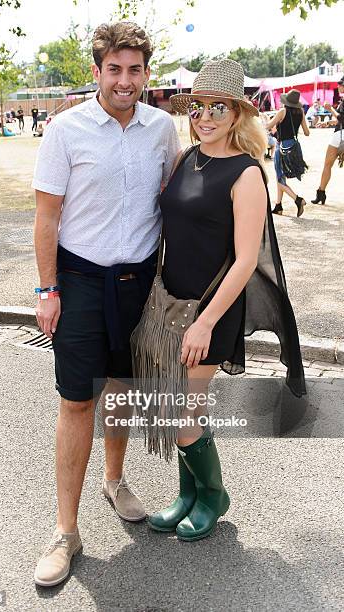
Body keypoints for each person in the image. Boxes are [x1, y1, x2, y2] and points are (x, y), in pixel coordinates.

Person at [31, 21, 180, 587]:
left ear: (146, 72)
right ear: (96, 72)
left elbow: (171, 203)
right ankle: (66, 532)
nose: (125, 80)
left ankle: (114, 482)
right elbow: (47, 217)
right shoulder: (65, 130)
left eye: (135, 69)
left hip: (139, 282)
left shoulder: (162, 129)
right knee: (76, 403)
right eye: (114, 70)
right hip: (80, 280)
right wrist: (48, 290)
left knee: (123, 388)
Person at [143, 58, 306, 542]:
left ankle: (213, 496)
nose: (206, 116)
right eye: (198, 107)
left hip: (210, 313)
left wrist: (206, 323)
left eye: (219, 107)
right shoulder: (184, 159)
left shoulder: (247, 174)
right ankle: (188, 496)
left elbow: (244, 261)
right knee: (185, 409)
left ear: (237, 113)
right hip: (169, 306)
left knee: (178, 411)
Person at [266, 89, 310, 216]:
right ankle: (278, 206)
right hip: (294, 147)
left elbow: (268, 126)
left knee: (280, 177)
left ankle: (298, 199)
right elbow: (307, 133)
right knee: (280, 176)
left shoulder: (282, 111)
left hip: (283, 146)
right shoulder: (300, 112)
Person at [311, 76, 344, 205]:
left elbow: (341, 118)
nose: (338, 86)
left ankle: (321, 192)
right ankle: (321, 193)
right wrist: (328, 123)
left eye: (340, 84)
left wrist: (330, 109)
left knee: (327, 164)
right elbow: (339, 120)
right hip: (340, 131)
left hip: (339, 136)